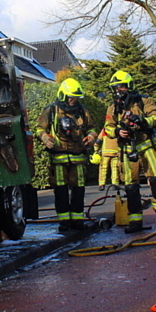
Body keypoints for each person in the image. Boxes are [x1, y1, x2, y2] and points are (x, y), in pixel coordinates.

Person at [103, 70, 156, 233]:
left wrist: (142, 121)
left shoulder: (143, 100)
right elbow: (108, 127)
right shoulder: (113, 108)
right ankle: (135, 221)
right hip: (126, 151)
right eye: (116, 87)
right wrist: (118, 132)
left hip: (146, 146)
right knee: (131, 187)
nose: (119, 90)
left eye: (122, 87)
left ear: (130, 86)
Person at [35, 78, 97, 231]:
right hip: (58, 159)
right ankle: (64, 222)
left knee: (79, 190)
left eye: (75, 98)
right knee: (61, 191)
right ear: (62, 95)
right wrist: (44, 137)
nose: (73, 100)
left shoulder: (82, 111)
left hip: (78, 158)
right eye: (70, 97)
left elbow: (91, 128)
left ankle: (77, 220)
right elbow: (38, 128)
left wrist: (91, 137)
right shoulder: (51, 110)